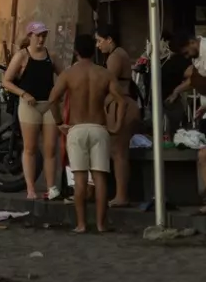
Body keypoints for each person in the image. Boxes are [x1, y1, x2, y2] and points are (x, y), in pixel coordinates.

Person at [47, 33, 115, 234]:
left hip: (76, 128)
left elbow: (52, 99)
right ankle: (102, 225)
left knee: (79, 179)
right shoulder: (104, 73)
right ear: (93, 51)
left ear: (76, 52)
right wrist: (113, 121)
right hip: (99, 128)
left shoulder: (68, 74)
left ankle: (82, 224)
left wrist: (59, 122)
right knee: (100, 178)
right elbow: (118, 98)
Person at [4, 22, 62, 201]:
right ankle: (30, 188)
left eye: (44, 35)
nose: (41, 39)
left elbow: (63, 77)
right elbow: (6, 81)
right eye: (38, 35)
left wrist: (59, 94)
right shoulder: (22, 56)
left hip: (49, 105)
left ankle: (51, 187)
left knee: (51, 148)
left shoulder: (51, 56)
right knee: (30, 147)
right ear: (30, 36)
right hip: (30, 106)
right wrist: (23, 93)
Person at [94, 25, 141, 207]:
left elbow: (107, 83)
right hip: (120, 105)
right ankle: (120, 194)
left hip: (122, 106)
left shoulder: (116, 56)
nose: (98, 45)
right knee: (117, 152)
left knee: (119, 152)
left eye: (99, 41)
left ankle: (122, 195)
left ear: (109, 39)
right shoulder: (118, 54)